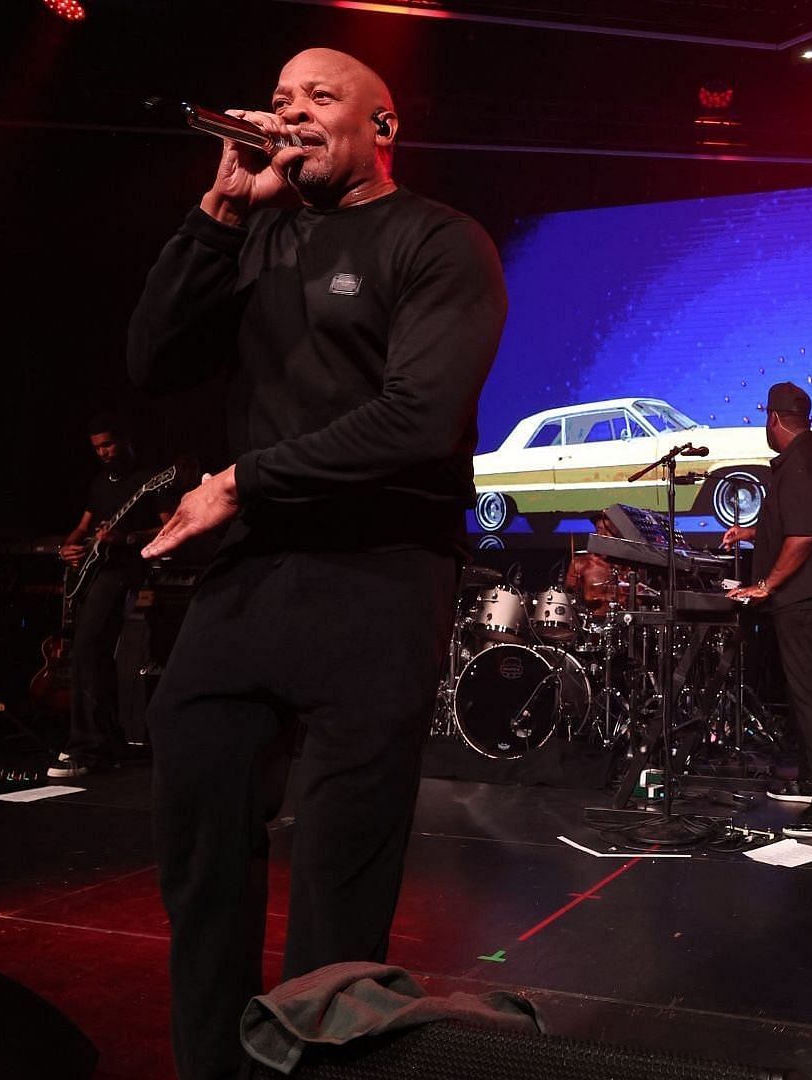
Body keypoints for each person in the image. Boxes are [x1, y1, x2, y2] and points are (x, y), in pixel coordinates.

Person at [125, 47, 507, 1080]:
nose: (289, 115)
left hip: (379, 578)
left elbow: (419, 419)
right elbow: (153, 360)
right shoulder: (258, 236)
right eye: (279, 100)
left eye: (318, 99)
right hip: (249, 580)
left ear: (382, 128)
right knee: (201, 854)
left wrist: (243, 481)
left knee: (339, 884)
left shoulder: (438, 240)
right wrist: (218, 216)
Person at [722, 382, 812, 838]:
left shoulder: (799, 464)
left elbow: (802, 538)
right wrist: (750, 537)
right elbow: (792, 527)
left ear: (773, 420)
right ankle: (809, 777)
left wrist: (764, 585)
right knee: (804, 692)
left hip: (806, 598)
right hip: (811, 597)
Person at [51, 416, 172, 779]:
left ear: (125, 440)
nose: (103, 452)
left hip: (124, 571)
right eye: (97, 447)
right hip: (93, 571)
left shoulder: (151, 480)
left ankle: (84, 749)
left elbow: (169, 526)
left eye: (108, 444)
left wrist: (127, 539)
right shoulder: (100, 483)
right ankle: (109, 744)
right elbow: (84, 527)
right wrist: (68, 548)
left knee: (88, 649)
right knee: (93, 656)